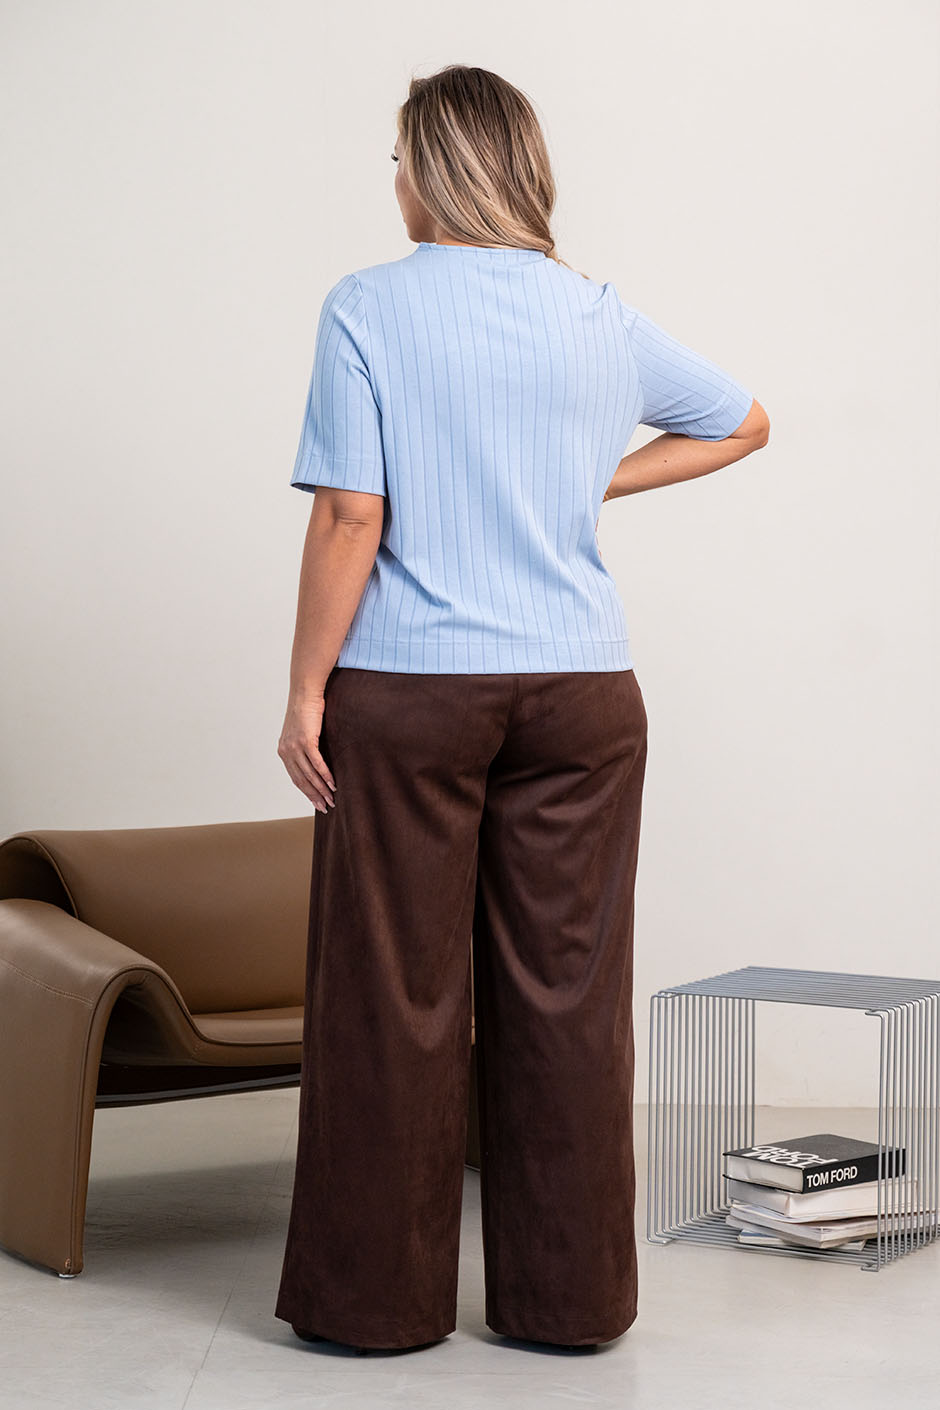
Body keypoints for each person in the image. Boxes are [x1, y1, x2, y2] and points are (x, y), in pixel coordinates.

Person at [274, 63, 770, 1358]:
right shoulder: (594, 312)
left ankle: (374, 1310)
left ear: (435, 171)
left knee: (395, 993)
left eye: (399, 158)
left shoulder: (368, 306)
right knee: (568, 994)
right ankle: (570, 1306)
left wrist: (307, 689)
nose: (392, 181)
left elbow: (352, 514)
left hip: (412, 691)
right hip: (584, 693)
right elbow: (743, 421)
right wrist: (574, 482)